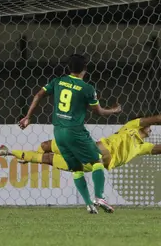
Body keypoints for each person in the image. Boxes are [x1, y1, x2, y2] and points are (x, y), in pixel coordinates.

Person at [19, 54, 121, 214]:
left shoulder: (57, 81)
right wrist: (114, 110)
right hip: (75, 131)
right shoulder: (87, 88)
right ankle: (99, 197)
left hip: (59, 132)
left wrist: (28, 116)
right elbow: (98, 112)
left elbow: (38, 95)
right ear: (85, 69)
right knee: (97, 160)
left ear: (68, 68)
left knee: (76, 168)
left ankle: (88, 204)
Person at [0, 112, 161, 175]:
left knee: (47, 158)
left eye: (150, 129)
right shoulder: (131, 126)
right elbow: (154, 118)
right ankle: (15, 154)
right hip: (94, 150)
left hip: (93, 160)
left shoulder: (141, 147)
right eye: (149, 127)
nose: (151, 128)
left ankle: (14, 154)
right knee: (46, 148)